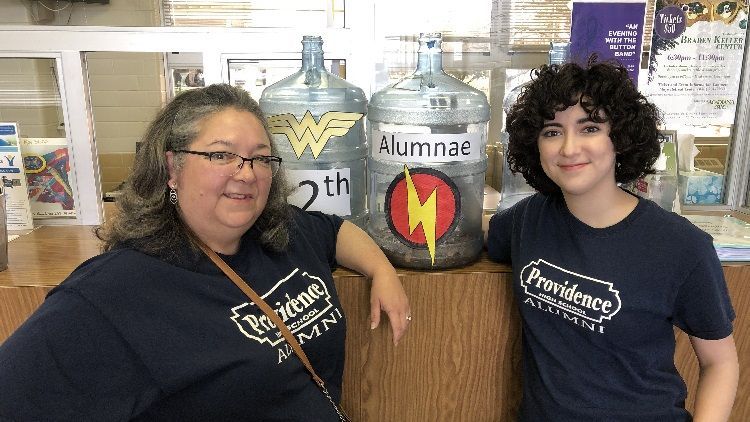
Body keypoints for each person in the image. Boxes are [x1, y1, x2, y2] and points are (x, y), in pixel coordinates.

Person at [0, 83, 410, 420]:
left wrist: (381, 270)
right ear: (172, 167)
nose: (246, 172)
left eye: (260, 157)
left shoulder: (278, 230)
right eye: (220, 154)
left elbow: (336, 231)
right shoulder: (114, 292)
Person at [486, 60, 738, 421]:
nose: (569, 148)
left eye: (589, 128)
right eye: (552, 132)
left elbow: (720, 362)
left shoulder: (682, 247)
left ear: (619, 137)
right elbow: (477, 238)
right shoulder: (527, 219)